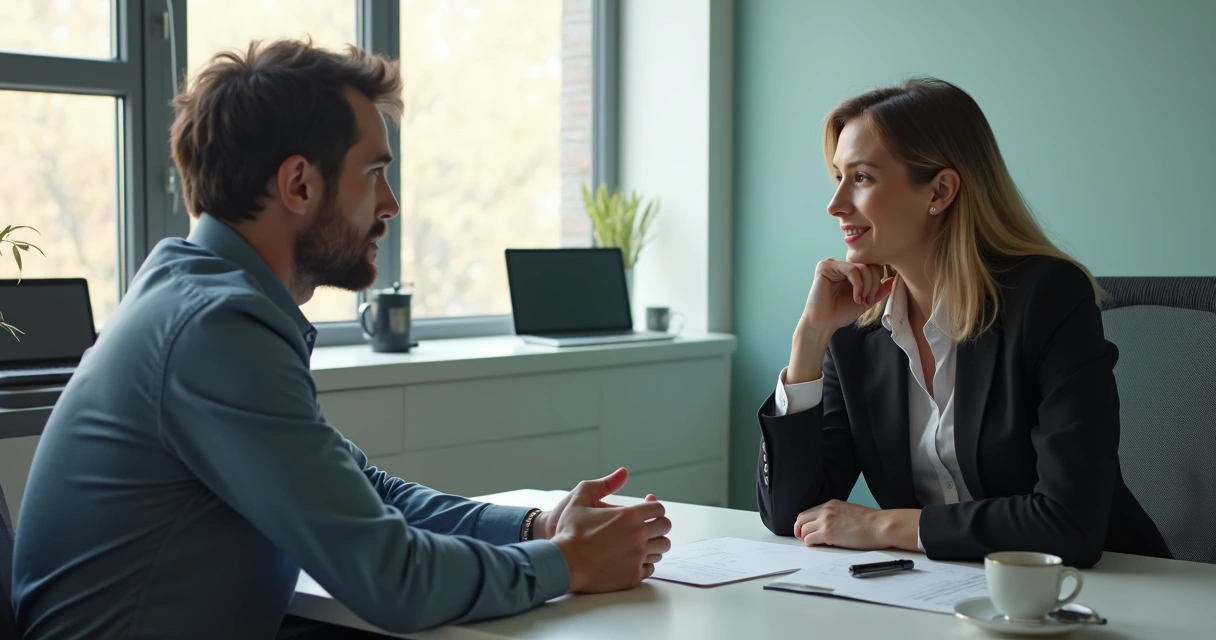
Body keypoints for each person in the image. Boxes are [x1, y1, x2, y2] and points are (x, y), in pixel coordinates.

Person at [12, 39, 672, 640]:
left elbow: (367, 492)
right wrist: (567, 563)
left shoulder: (194, 295)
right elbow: (394, 580)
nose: (390, 204)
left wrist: (537, 527)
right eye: (373, 173)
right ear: (299, 183)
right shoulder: (214, 330)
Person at [755, 77, 1171, 569]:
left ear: (941, 189)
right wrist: (809, 340)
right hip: (945, 592)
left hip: (1104, 594)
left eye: (862, 178)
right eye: (837, 177)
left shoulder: (1048, 299)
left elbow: (1068, 526)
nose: (836, 203)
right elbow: (791, 514)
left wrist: (884, 525)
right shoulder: (856, 330)